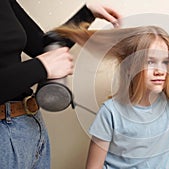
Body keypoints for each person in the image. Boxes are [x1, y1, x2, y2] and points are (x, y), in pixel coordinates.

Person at [0, 0, 121, 168]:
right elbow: (43, 61)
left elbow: (42, 46)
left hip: (29, 125)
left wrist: (87, 14)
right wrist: (41, 67)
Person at [53, 24, 169, 168]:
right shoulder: (110, 113)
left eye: (165, 62)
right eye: (150, 62)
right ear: (130, 67)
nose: (160, 71)